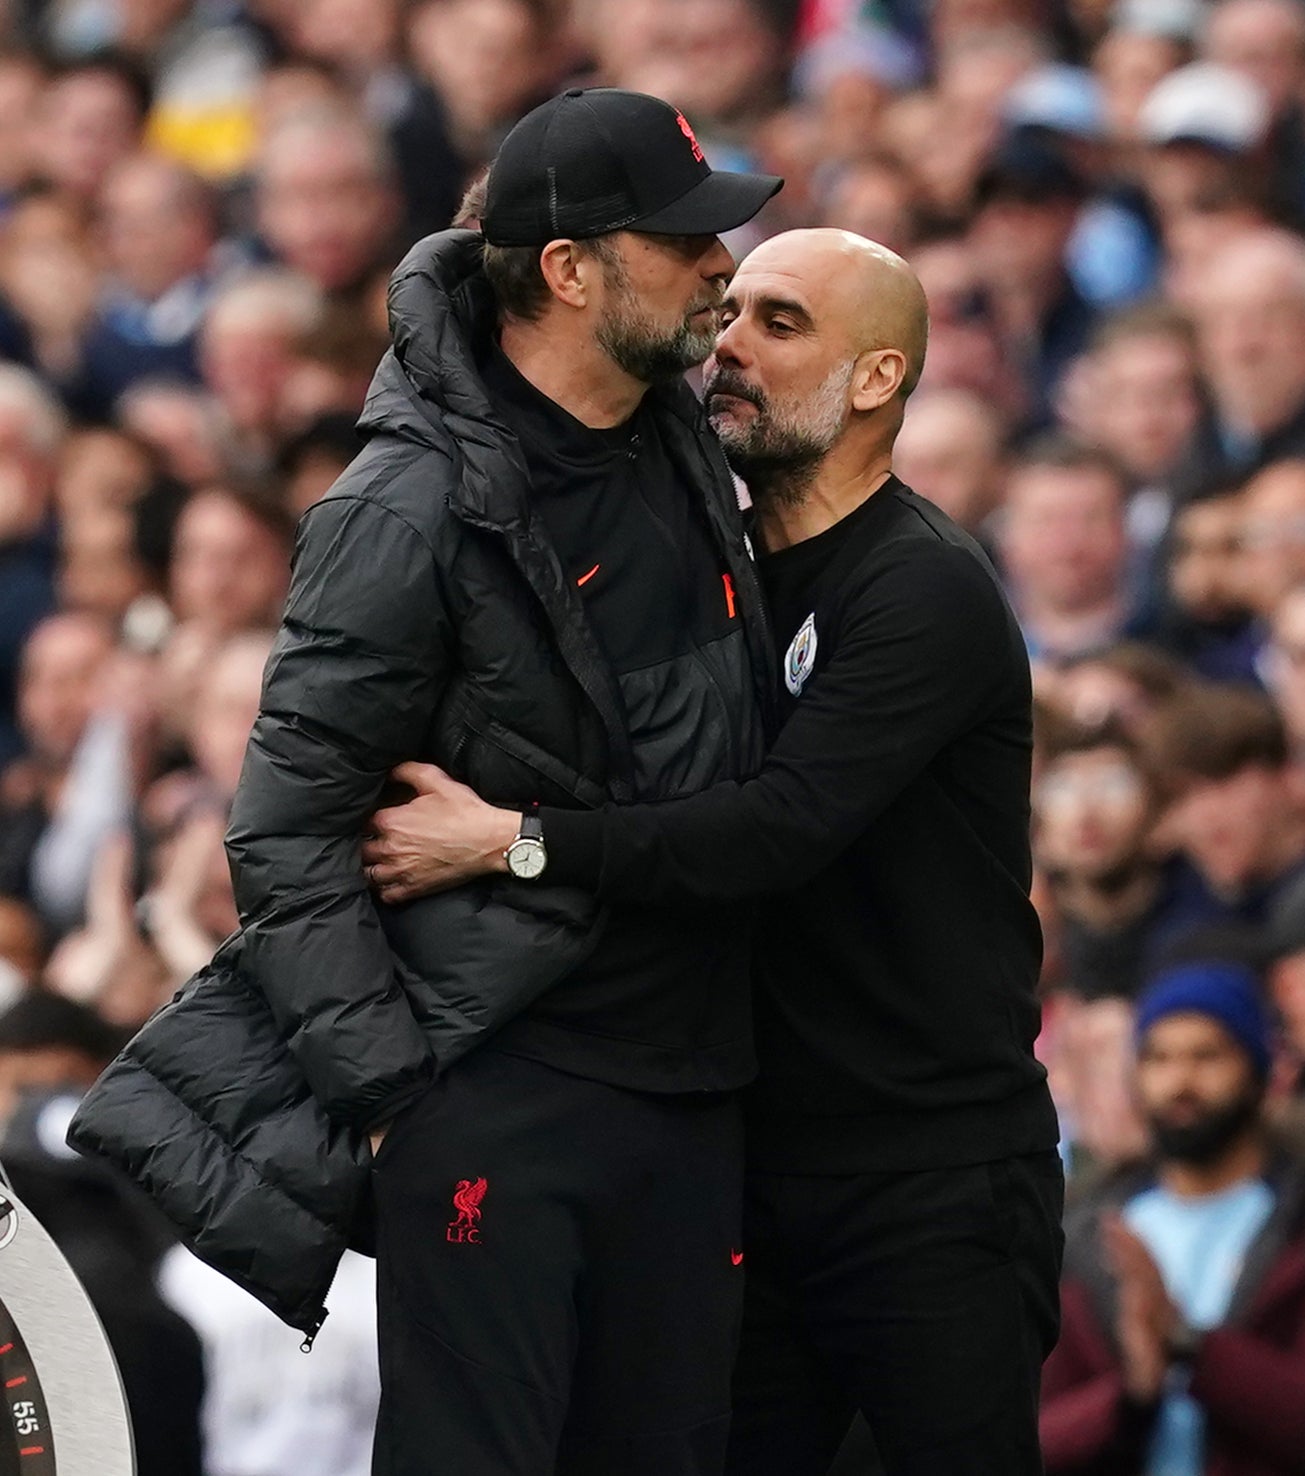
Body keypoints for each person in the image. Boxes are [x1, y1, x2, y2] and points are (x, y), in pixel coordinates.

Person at [71, 86, 782, 1476]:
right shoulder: (404, 505)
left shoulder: (677, 430)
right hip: (502, 1091)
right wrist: (402, 1102)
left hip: (693, 1087)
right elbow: (285, 829)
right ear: (571, 272)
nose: (722, 265)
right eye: (683, 238)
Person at [363, 227, 1063, 1475]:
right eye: (729, 312)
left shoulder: (922, 588)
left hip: (928, 1179)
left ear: (876, 380)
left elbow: (774, 830)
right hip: (747, 1164)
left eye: (780, 323)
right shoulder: (710, 565)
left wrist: (511, 844)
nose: (729, 346)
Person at [1041, 961, 1305, 1476]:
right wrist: (1132, 1396)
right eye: (1158, 1058)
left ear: (1258, 1070)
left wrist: (1190, 1345)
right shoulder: (1088, 1234)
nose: (1180, 1081)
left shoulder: (1295, 1227)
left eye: (1207, 1056)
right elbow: (1039, 1438)